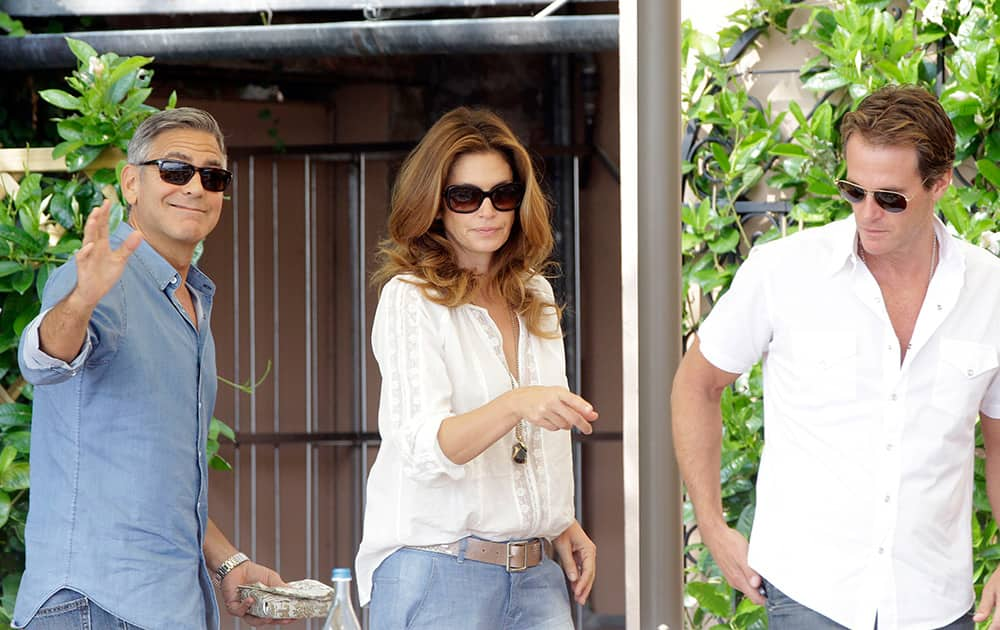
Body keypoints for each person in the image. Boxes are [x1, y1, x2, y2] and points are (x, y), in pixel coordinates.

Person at [672, 84, 1000, 630]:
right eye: (854, 190)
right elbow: (696, 384)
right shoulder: (784, 272)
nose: (867, 213)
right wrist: (710, 522)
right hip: (811, 594)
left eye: (890, 198)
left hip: (934, 600)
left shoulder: (990, 291)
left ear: (940, 182)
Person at [14, 107, 290, 629]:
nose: (194, 187)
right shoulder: (100, 277)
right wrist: (82, 300)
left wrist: (227, 561)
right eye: (174, 169)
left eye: (213, 176)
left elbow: (161, 480)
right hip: (96, 604)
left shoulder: (192, 300)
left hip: (169, 606)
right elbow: (46, 359)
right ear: (131, 183)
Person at [355, 106, 598, 630]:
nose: (487, 211)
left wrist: (557, 520)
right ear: (435, 205)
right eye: (465, 196)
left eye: (503, 194)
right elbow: (424, 448)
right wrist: (515, 403)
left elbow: (536, 441)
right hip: (438, 569)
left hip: (535, 575)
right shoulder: (411, 298)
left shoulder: (534, 293)